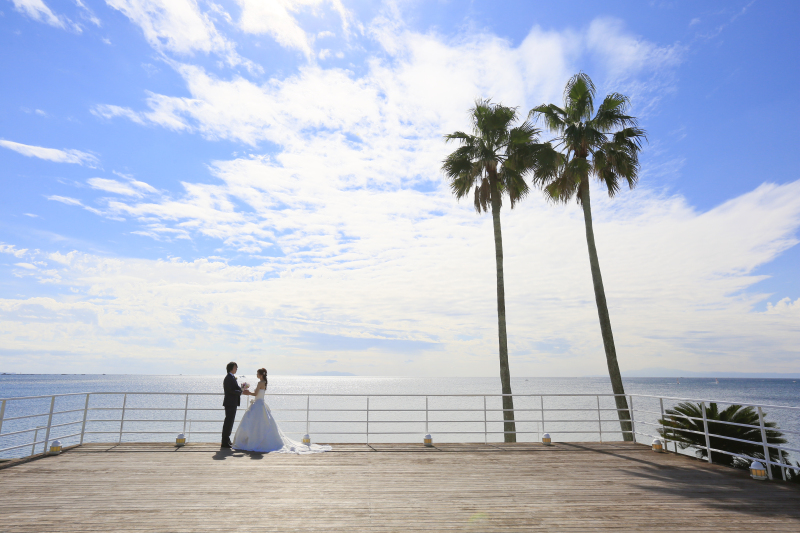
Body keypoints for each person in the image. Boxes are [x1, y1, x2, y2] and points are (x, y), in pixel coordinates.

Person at [233, 367, 331, 454]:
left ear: (261, 375)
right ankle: (261, 441)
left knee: (254, 424)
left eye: (257, 373)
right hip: (260, 403)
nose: (256, 375)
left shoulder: (260, 383)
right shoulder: (264, 383)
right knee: (262, 424)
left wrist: (247, 392)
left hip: (258, 404)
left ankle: (252, 441)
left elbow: (255, 394)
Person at [221, 361, 242, 448]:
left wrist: (242, 388)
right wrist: (240, 391)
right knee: (228, 421)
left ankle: (227, 439)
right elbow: (230, 390)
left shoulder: (232, 377)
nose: (236, 369)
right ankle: (224, 441)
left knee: (230, 421)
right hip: (230, 403)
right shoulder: (228, 378)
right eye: (235, 367)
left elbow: (235, 388)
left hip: (232, 403)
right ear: (231, 368)